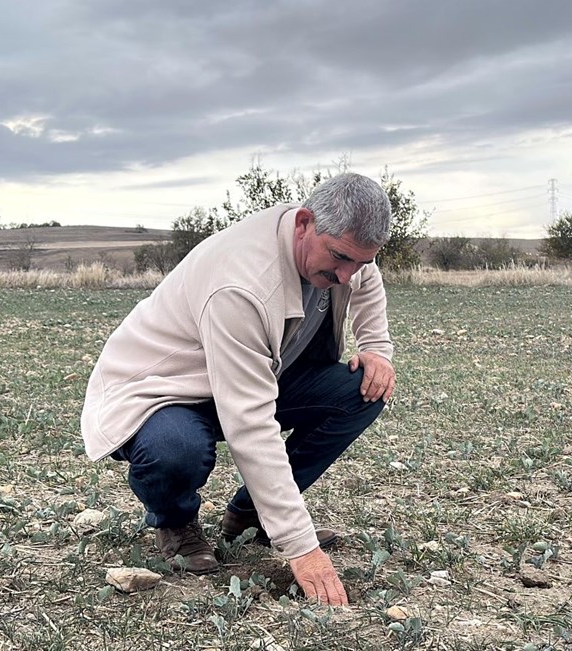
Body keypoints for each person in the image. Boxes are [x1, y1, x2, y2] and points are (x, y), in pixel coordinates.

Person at [80, 172, 396, 607]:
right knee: (175, 448)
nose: (346, 276)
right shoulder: (241, 283)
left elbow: (366, 277)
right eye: (340, 258)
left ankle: (247, 516)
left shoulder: (343, 250)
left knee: (363, 389)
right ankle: (176, 522)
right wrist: (302, 548)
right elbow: (249, 422)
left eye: (359, 262)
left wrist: (376, 347)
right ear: (304, 223)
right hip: (165, 391)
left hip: (252, 374)